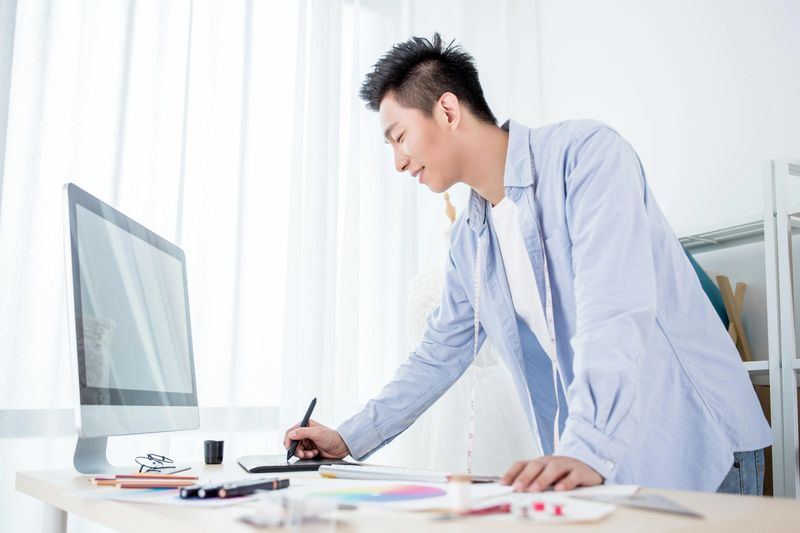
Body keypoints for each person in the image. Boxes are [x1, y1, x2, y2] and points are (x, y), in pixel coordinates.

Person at [283, 33, 772, 494]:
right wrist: (348, 438)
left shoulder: (586, 157)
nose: (398, 162)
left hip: (699, 447)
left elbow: (614, 306)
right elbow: (438, 355)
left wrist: (586, 447)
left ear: (448, 110)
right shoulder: (469, 241)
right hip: (607, 465)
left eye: (400, 137)